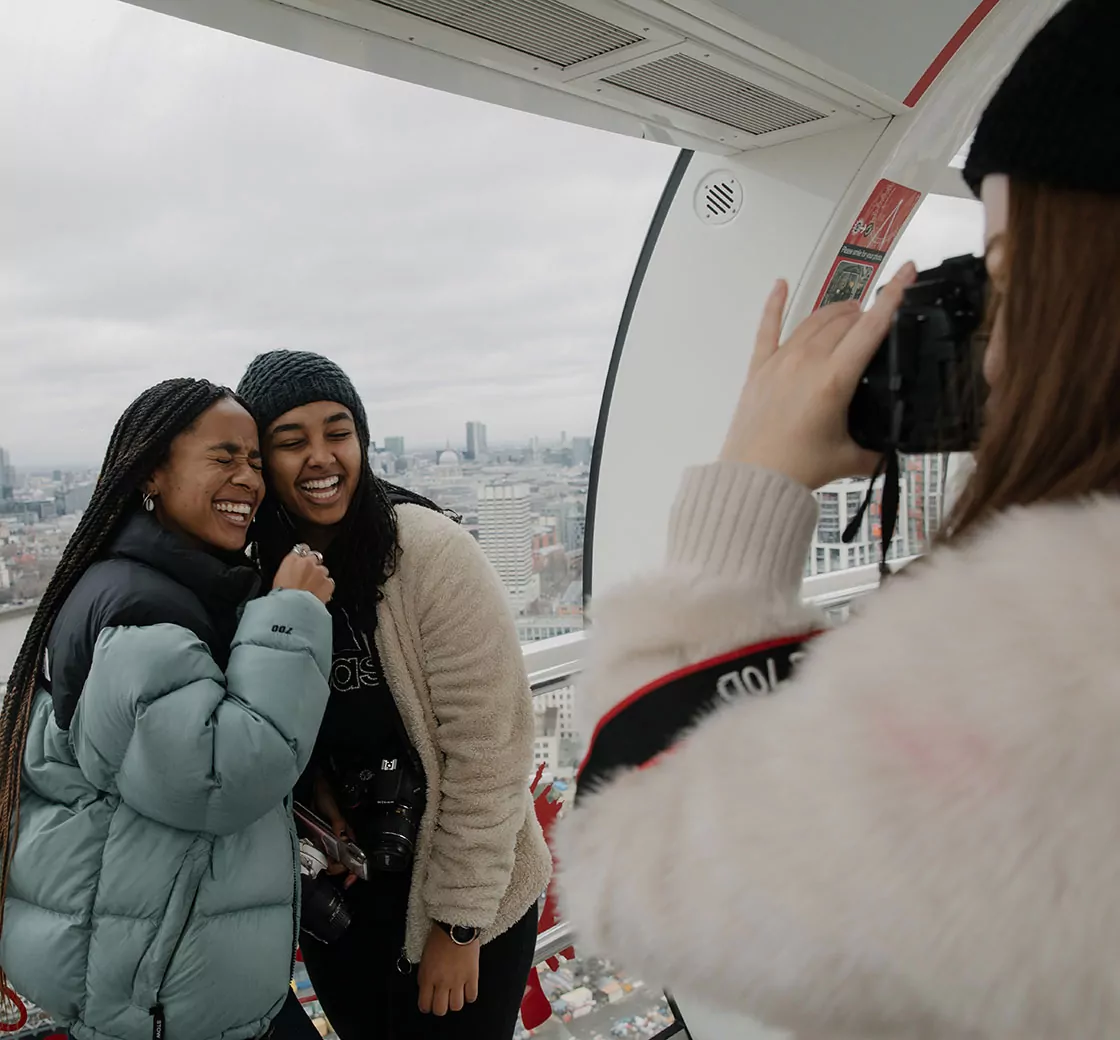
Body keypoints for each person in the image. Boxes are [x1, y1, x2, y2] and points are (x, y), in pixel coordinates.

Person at [556, 1, 1120, 1035]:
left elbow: (630, 846)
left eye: (1007, 283)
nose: (990, 357)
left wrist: (750, 483)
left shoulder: (1052, 673)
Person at [0, 379, 335, 1040]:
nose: (250, 479)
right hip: (157, 996)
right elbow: (220, 777)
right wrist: (293, 612)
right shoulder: (141, 613)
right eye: (223, 457)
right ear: (153, 470)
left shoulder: (154, 583)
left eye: (256, 462)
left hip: (161, 970)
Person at [236, 352, 552, 1039]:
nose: (322, 457)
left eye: (338, 431)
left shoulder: (426, 552)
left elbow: (490, 747)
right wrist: (316, 795)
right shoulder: (263, 573)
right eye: (291, 441)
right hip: (347, 902)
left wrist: (459, 925)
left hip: (463, 894)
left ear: (363, 439)